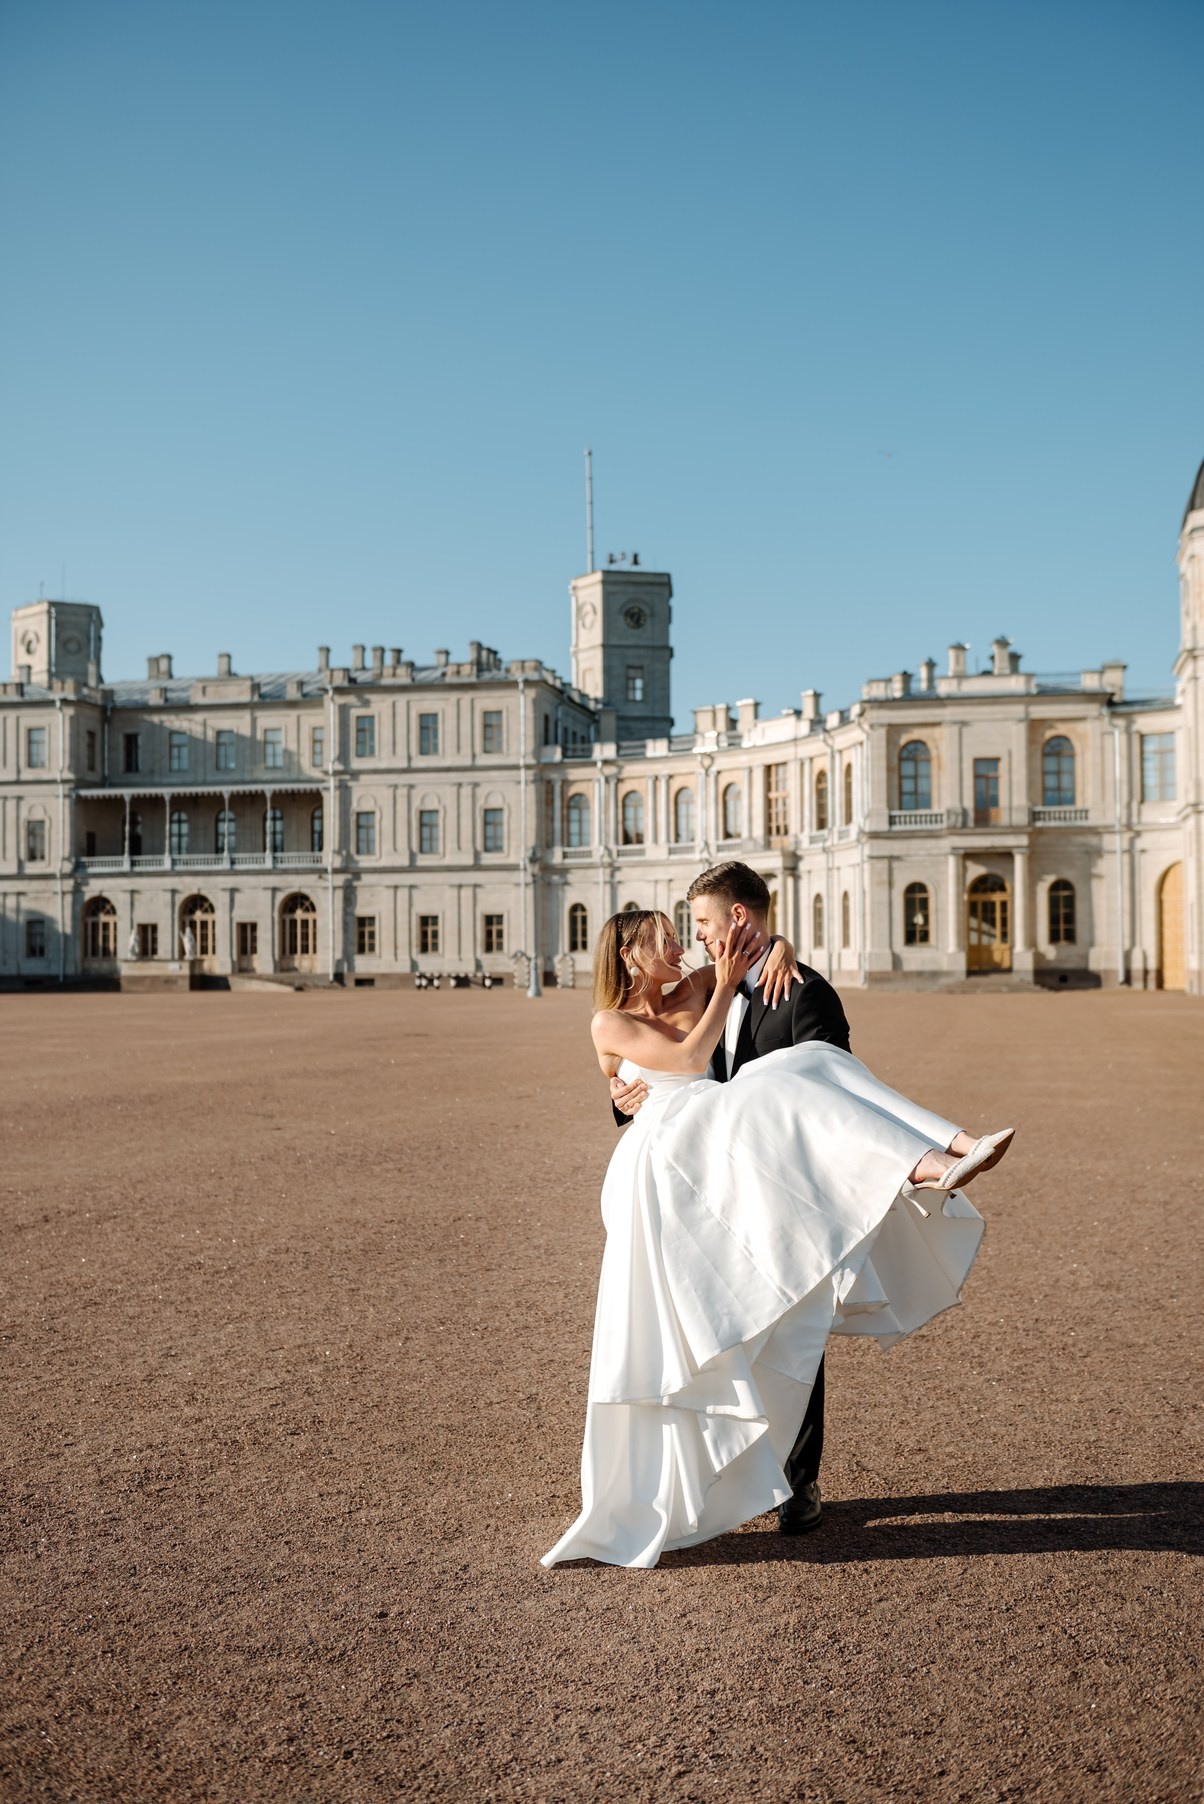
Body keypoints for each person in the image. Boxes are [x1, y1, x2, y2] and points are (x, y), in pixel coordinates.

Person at [541, 904, 1012, 1570]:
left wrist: (780, 944)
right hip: (666, 1166)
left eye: (681, 937)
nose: (681, 948)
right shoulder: (609, 1020)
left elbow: (748, 950)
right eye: (665, 941)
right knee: (692, 1331)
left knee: (814, 1063)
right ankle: (709, 1480)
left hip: (718, 1147)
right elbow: (686, 1057)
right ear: (628, 954)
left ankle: (945, 1152)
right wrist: (716, 992)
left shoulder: (693, 986)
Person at [609, 862, 856, 1535]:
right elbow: (657, 1057)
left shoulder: (804, 991)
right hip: (705, 1188)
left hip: (782, 1189)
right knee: (719, 1329)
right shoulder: (698, 989)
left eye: (702, 923)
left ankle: (797, 1482)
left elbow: (838, 1087)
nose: (695, 938)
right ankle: (730, 1472)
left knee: (793, 1332)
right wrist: (620, 1093)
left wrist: (783, 949)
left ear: (738, 918)